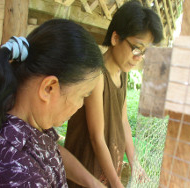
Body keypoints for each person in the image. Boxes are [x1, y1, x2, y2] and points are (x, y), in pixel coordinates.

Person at [0, 19, 105, 187]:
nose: (81, 105)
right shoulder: (16, 174)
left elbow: (51, 151)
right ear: (48, 88)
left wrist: (93, 184)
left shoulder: (4, 111)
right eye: (82, 95)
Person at [63, 1, 163, 187]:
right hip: (87, 171)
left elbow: (124, 121)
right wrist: (116, 183)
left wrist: (135, 163)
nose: (138, 58)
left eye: (144, 52)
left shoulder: (122, 73)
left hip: (106, 170)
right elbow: (96, 137)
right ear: (116, 38)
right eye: (136, 48)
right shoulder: (97, 75)